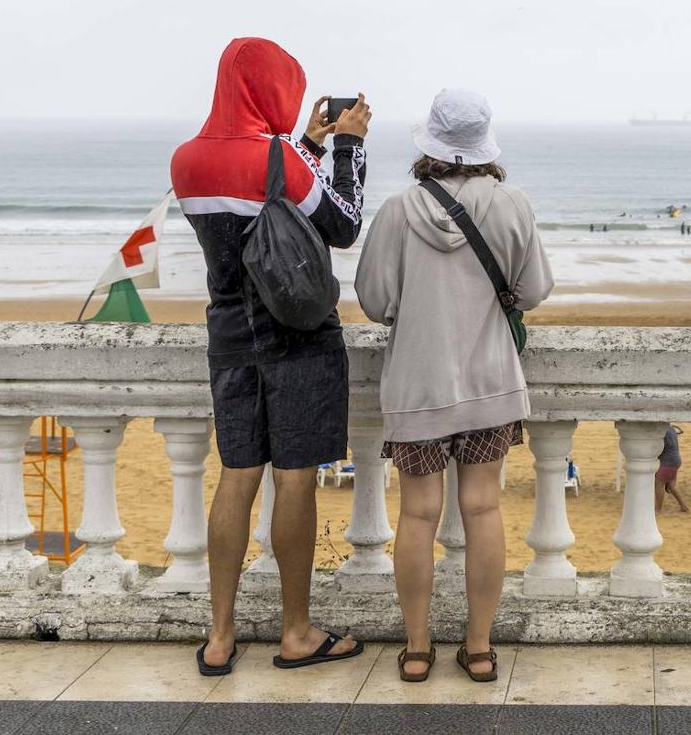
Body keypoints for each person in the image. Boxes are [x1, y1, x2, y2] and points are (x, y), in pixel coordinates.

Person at [170, 38, 370, 674]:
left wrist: (301, 148)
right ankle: (296, 632)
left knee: (236, 475)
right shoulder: (279, 156)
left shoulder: (186, 161)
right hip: (298, 337)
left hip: (230, 337)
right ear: (269, 89)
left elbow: (256, 209)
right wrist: (346, 147)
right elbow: (341, 223)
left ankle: (221, 636)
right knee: (293, 478)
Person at [356, 88, 553, 683]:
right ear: (483, 146)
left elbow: (373, 301)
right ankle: (480, 648)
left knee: (417, 516)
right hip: (490, 382)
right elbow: (536, 289)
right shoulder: (513, 205)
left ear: (431, 145)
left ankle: (418, 650)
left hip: (417, 386)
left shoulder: (397, 211)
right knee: (484, 507)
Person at [655, 425, 689, 513]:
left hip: (668, 462)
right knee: (671, 486)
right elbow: (680, 430)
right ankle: (683, 506)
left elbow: (659, 447)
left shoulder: (663, 430)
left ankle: (657, 509)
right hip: (675, 460)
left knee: (659, 484)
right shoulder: (671, 428)